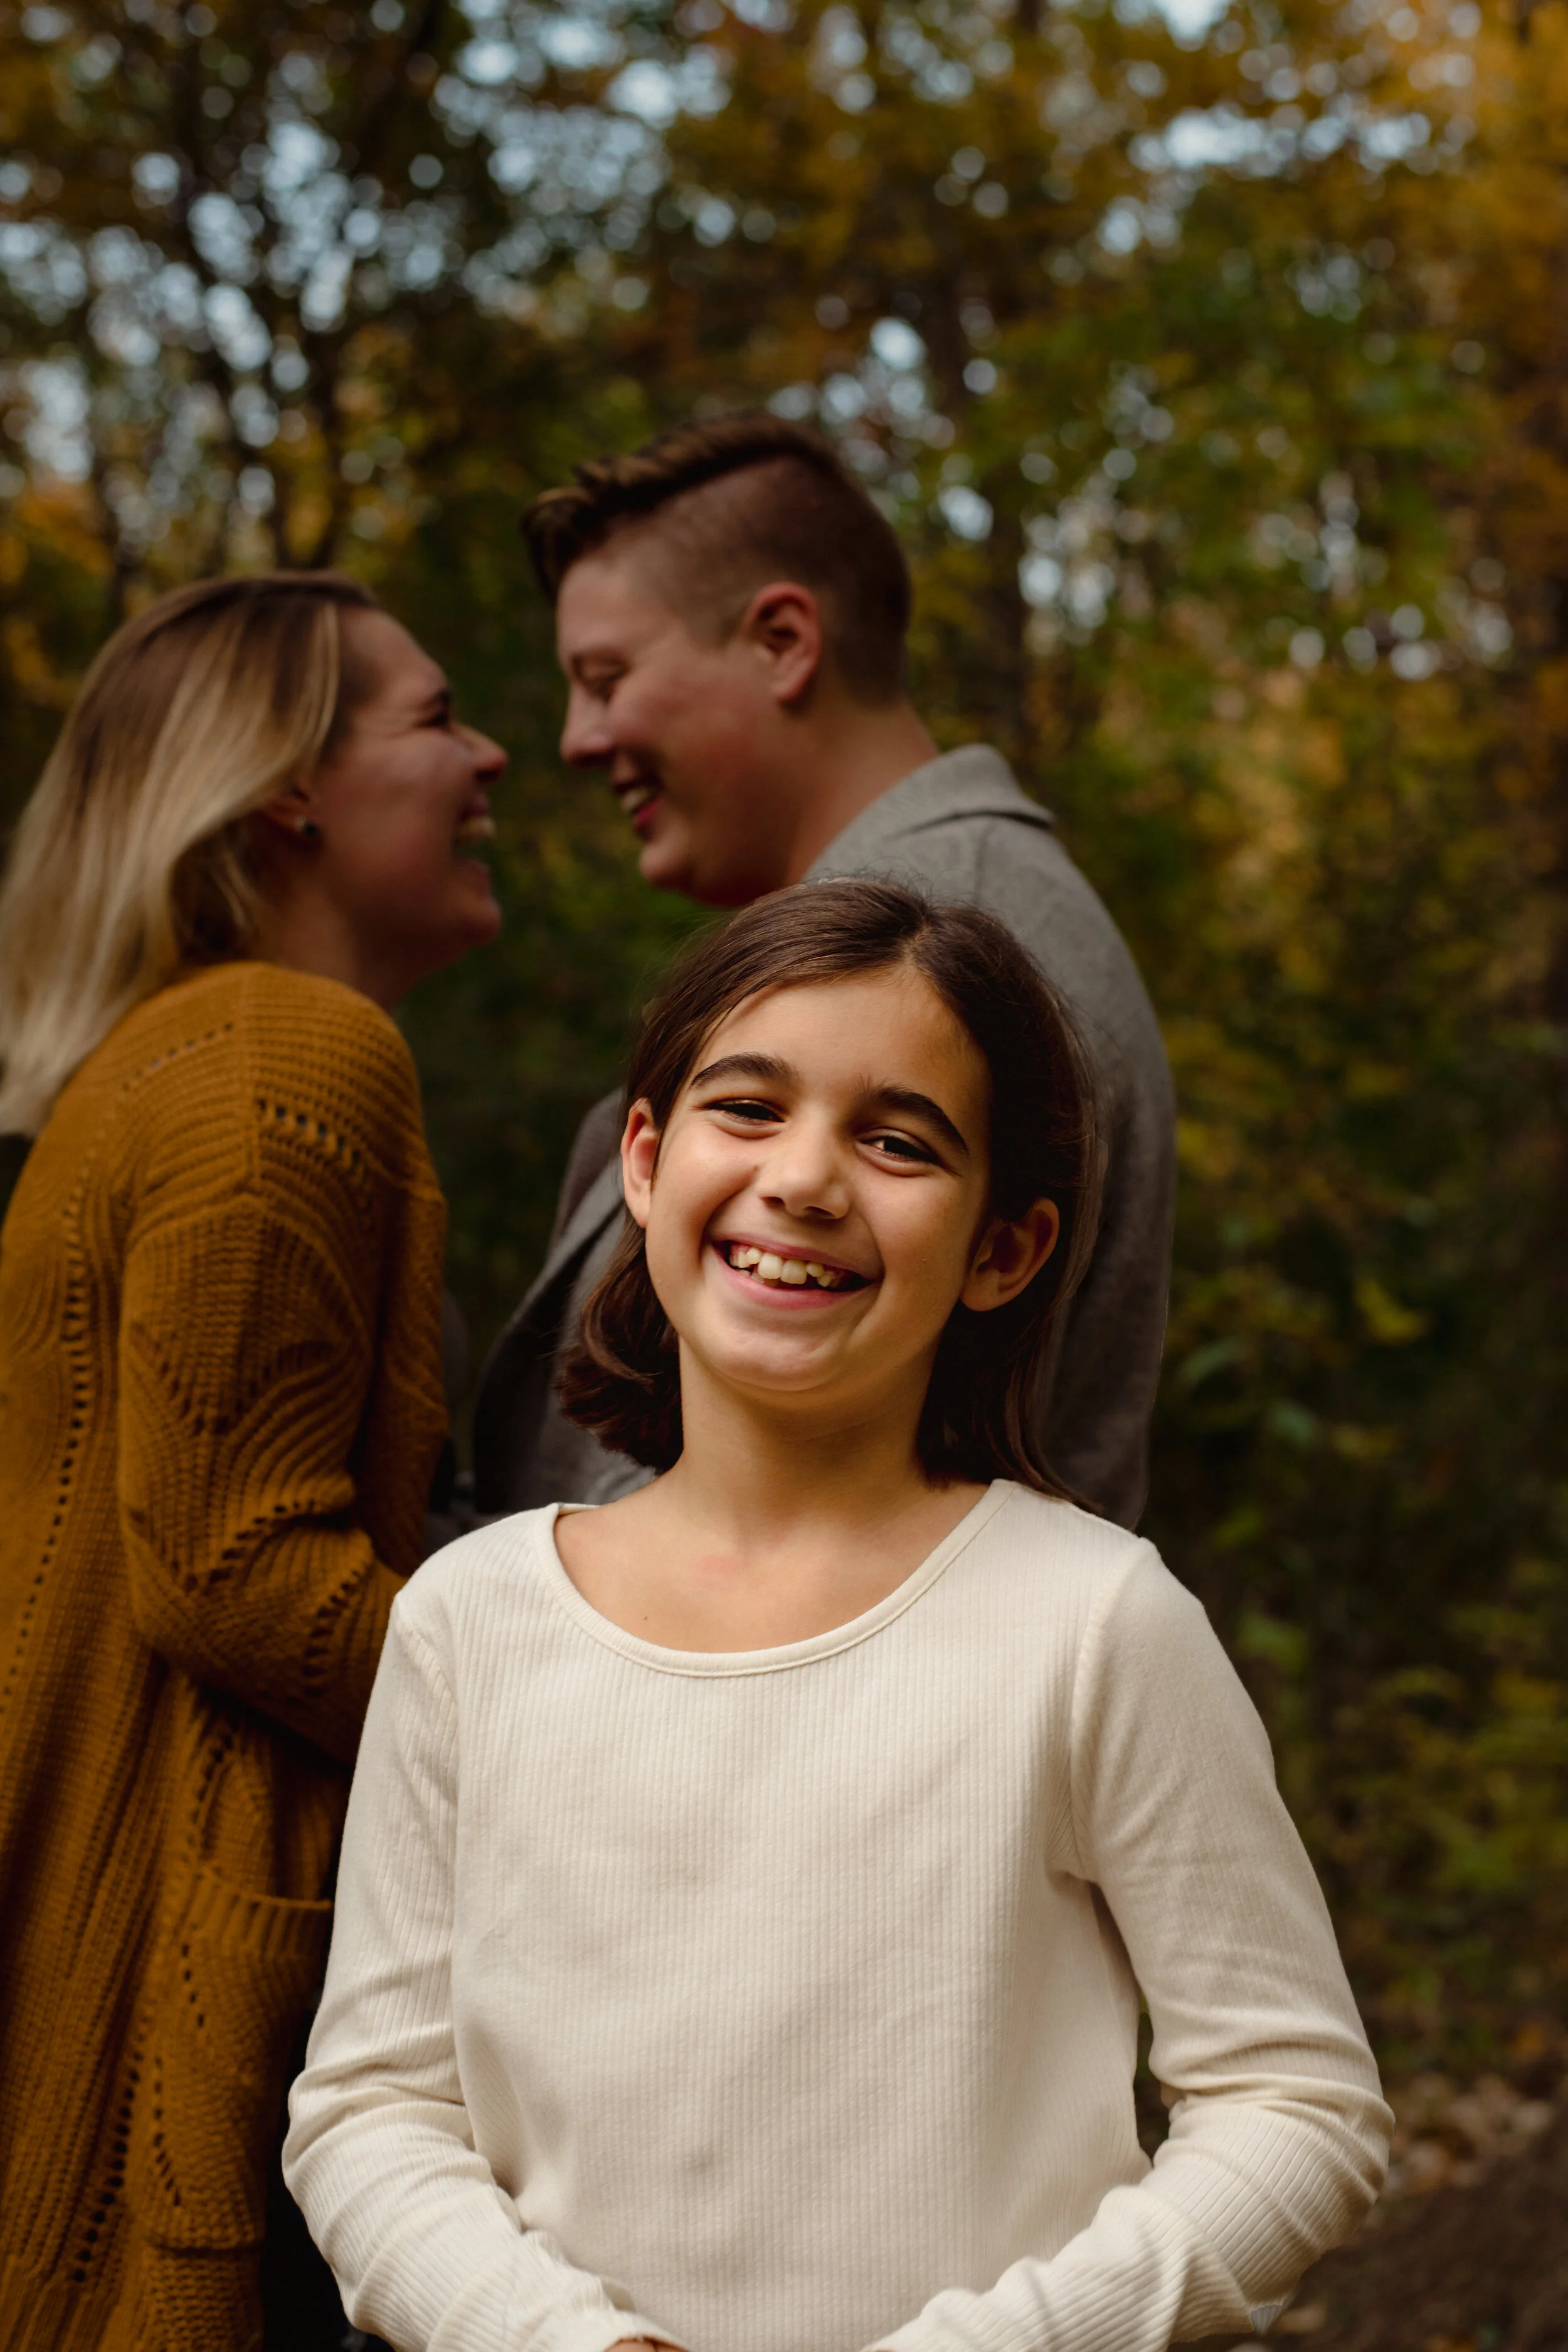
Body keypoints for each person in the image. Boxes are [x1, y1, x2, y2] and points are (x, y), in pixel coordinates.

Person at [285, 880, 1389, 2352]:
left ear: (1004, 1248)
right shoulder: (472, 1620)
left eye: (895, 1138)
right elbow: (369, 2111)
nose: (804, 1177)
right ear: (643, 1153)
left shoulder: (1090, 1622)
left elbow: (1294, 2102)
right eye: (746, 1106)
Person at [0, 571, 505, 2351]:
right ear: (290, 781)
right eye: (438, 718)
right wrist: (596, 1724)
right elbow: (236, 1565)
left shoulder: (166, 1060)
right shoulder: (281, 1052)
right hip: (172, 1963)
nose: (491, 754)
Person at [474, 413, 1174, 1532]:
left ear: (784, 641)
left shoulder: (960, 942)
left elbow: (824, 1502)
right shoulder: (862, 935)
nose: (576, 737)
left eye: (606, 677)